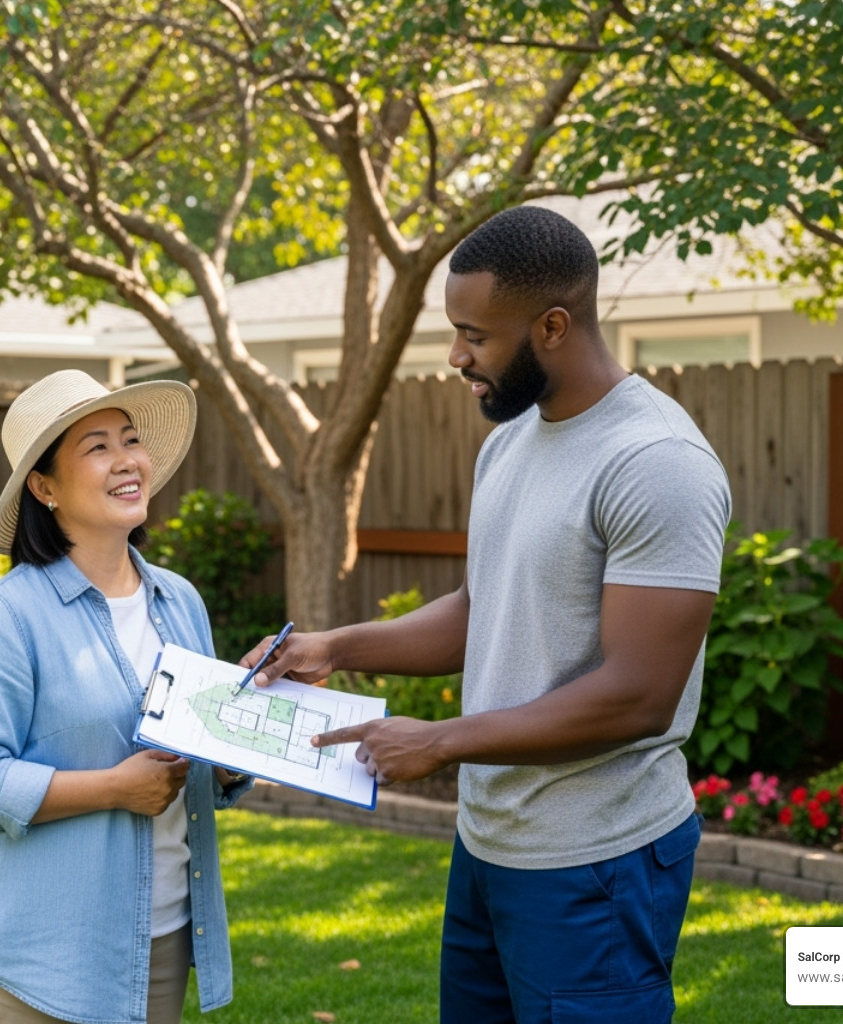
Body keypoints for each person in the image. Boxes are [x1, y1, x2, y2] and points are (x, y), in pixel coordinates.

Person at [241, 206, 731, 1024]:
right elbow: (485, 608)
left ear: (551, 325)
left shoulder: (656, 464)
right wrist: (335, 645)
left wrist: (439, 742)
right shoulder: (512, 440)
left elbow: (638, 695)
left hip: (595, 863)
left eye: (475, 334)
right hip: (490, 848)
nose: (456, 356)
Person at [0, 369, 253, 1024]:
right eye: (97, 446)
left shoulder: (178, 601)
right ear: (44, 486)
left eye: (130, 440)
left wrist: (231, 753)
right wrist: (113, 788)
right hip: (43, 960)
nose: (127, 460)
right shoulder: (8, 619)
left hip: (162, 938)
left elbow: (198, 756)